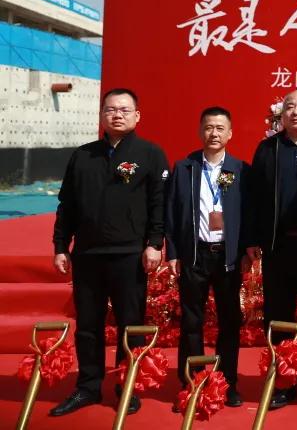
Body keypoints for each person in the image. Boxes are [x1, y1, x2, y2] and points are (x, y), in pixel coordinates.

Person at [50, 88, 168, 417]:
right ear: (102, 115)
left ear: (137, 116)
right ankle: (88, 386)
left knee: (130, 324)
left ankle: (127, 385)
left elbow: (159, 203)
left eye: (124, 110)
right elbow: (67, 205)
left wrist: (154, 243)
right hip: (88, 254)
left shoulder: (150, 154)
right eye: (111, 109)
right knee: (88, 324)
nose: (117, 115)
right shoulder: (83, 156)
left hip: (129, 255)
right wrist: (61, 246)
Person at [244, 89, 297, 410]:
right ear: (281, 114)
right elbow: (253, 198)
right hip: (278, 247)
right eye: (290, 107)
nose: (296, 112)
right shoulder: (268, 149)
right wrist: (252, 239)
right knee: (278, 318)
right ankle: (283, 382)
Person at [164, 106, 246, 409]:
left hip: (227, 257)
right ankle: (192, 382)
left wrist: (246, 250)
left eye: (220, 128)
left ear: (230, 133)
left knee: (229, 322)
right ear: (200, 131)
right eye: (209, 127)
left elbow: (248, 215)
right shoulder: (184, 168)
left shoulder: (240, 170)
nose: (214, 133)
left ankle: (228, 383)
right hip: (195, 254)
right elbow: (171, 213)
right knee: (191, 322)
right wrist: (173, 252)